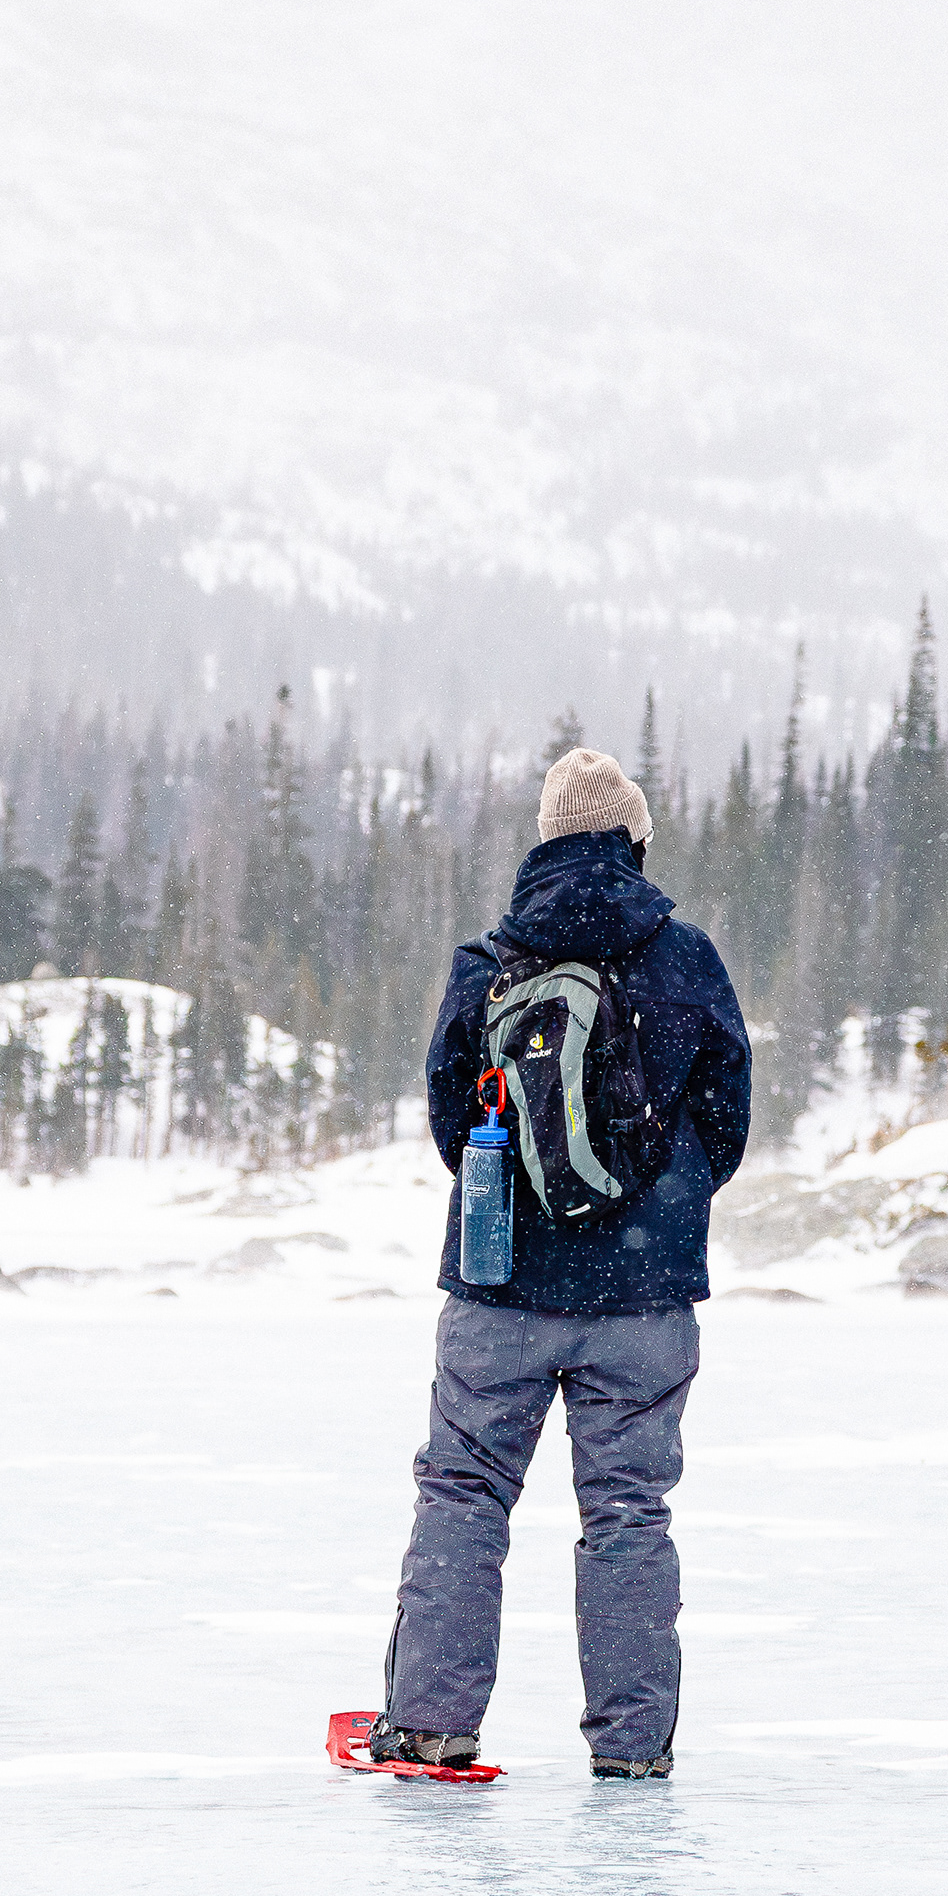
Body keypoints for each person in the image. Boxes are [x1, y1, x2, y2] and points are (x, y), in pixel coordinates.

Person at [375, 745, 752, 1780]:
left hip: (499, 1285)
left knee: (463, 1492)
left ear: (544, 843)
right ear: (635, 840)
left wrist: (533, 1206)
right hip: (644, 1300)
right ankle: (632, 1751)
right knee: (628, 1512)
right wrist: (656, 1208)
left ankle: (431, 1726)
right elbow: (728, 1121)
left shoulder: (485, 963)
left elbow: (456, 1122)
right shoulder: (688, 959)